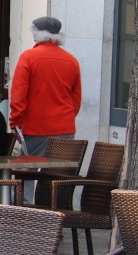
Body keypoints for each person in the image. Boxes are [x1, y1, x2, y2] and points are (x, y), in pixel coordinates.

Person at [9, 16, 81, 203]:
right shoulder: (71, 60)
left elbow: (18, 95)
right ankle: (54, 216)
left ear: (36, 34)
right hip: (64, 127)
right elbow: (76, 98)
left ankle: (24, 215)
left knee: (25, 172)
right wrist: (66, 117)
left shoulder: (29, 57)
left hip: (35, 126)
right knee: (57, 176)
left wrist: (15, 122)